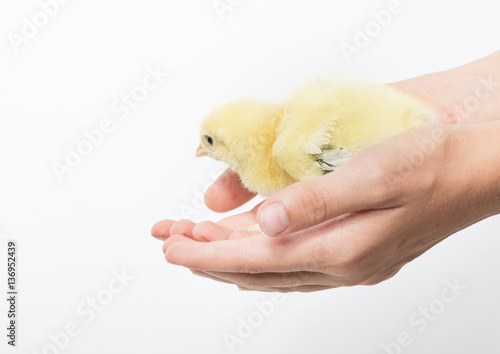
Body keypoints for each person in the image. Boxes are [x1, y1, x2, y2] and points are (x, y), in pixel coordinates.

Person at [151, 51, 500, 292]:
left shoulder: (289, 152)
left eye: (210, 141)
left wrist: (467, 167)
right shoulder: (288, 122)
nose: (202, 149)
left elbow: (370, 155)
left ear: (236, 144)